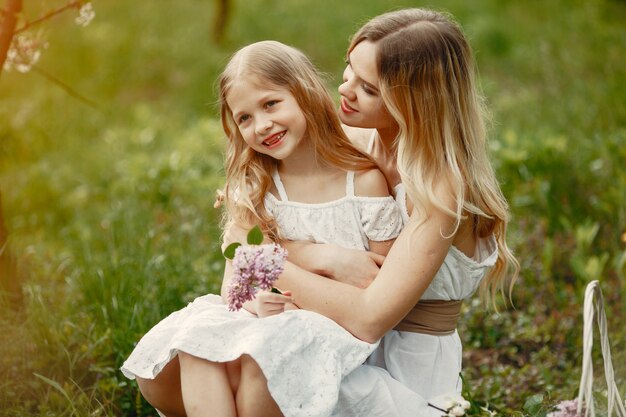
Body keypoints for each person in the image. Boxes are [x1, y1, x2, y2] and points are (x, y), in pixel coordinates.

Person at [224, 7, 519, 417]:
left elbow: (368, 318)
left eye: (368, 88)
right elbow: (253, 201)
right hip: (333, 334)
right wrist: (317, 254)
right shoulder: (351, 142)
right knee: (196, 368)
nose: (344, 90)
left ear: (416, 102)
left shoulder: (441, 190)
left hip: (404, 370)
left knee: (261, 378)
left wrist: (258, 260)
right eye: (349, 71)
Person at [120, 40, 404, 417]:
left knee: (263, 356)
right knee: (196, 347)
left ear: (303, 92)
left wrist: (301, 287)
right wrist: (259, 300)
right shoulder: (257, 188)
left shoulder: (363, 184)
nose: (262, 125)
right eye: (245, 118)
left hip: (330, 332)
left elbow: (378, 284)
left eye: (271, 104)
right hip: (265, 322)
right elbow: (233, 288)